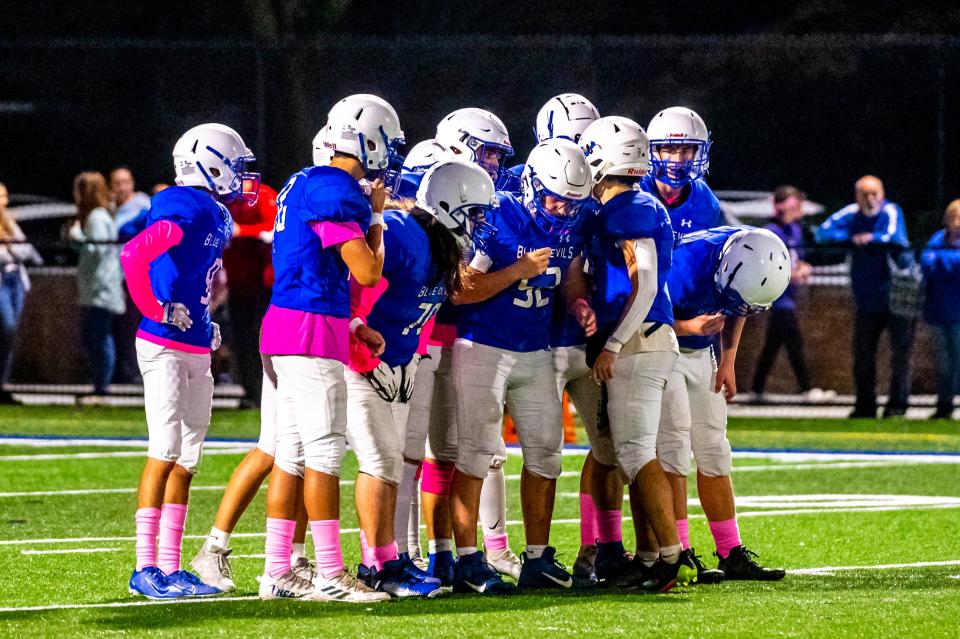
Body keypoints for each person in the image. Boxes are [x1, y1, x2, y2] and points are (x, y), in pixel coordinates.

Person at [256, 94, 402, 603]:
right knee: (322, 454)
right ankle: (329, 573)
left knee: (292, 454)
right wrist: (378, 217)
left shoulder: (304, 180)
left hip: (283, 323)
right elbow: (367, 270)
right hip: (310, 329)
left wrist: (354, 321)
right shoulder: (338, 192)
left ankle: (277, 569)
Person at [121, 123, 259, 599]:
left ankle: (171, 565)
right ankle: (144, 567)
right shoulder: (182, 203)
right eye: (235, 166)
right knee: (164, 449)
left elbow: (196, 276)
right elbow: (134, 254)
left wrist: (205, 318)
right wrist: (153, 307)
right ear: (209, 164)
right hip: (163, 341)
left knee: (188, 458)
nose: (242, 177)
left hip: (196, 340)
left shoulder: (218, 214)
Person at [448, 137, 592, 594]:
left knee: (547, 452)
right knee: (475, 453)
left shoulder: (570, 221)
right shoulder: (498, 213)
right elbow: (461, 288)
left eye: (571, 203)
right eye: (554, 199)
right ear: (531, 184)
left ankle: (537, 558)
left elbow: (569, 276)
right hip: (483, 347)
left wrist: (579, 304)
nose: (561, 210)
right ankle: (469, 560)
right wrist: (517, 270)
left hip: (536, 350)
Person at [349, 159, 497, 598]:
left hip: (397, 362)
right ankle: (375, 566)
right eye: (474, 213)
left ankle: (384, 559)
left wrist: (409, 359)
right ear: (450, 206)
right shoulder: (401, 233)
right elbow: (353, 280)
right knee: (376, 463)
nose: (478, 223)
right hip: (360, 360)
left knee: (390, 463)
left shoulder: (437, 242)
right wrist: (356, 329)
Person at [569, 116, 695, 592]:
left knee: (637, 454)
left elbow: (645, 282)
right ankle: (648, 556)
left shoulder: (631, 207)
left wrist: (615, 343)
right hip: (648, 342)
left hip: (640, 343)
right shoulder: (631, 204)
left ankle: (667, 558)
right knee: (638, 455)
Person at [403, 109, 523, 585]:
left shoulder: (482, 192)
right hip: (419, 333)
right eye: (487, 150)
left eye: (497, 153)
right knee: (409, 452)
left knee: (458, 450)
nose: (494, 162)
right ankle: (407, 553)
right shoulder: (426, 171)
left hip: (461, 334)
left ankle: (451, 554)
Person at [656, 226, 790, 582]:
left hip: (702, 357)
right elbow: (642, 314)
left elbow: (738, 305)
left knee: (715, 450)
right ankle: (680, 550)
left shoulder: (750, 255)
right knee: (674, 451)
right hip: (661, 352)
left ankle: (730, 551)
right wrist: (687, 327)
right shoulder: (683, 262)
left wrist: (728, 358)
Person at [815, 175, 913, 418]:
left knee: (901, 354)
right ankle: (865, 405)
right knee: (863, 355)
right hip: (867, 299)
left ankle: (897, 406)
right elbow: (823, 233)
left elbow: (894, 236)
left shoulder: (891, 211)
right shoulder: (851, 213)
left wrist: (869, 239)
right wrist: (850, 239)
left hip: (898, 297)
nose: (870, 200)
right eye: (864, 194)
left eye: (874, 194)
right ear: (857, 196)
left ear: (882, 194)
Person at [752, 186, 834, 401]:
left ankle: (757, 389)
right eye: (793, 206)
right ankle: (807, 389)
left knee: (774, 345)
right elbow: (765, 265)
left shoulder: (795, 230)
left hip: (791, 296)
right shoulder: (771, 231)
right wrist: (792, 273)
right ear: (778, 206)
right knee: (794, 343)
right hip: (777, 297)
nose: (798, 210)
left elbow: (799, 258)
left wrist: (804, 268)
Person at [69, 171, 126, 399]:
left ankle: (102, 386)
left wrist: (76, 235)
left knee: (98, 336)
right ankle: (100, 384)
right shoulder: (101, 216)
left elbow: (97, 249)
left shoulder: (97, 217)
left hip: (100, 288)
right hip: (98, 286)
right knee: (96, 335)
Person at [224, 183, 278, 407]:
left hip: (262, 284)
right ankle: (251, 391)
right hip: (238, 284)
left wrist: (241, 231)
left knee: (262, 339)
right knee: (242, 340)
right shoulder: (227, 199)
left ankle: (267, 391)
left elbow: (273, 231)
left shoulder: (262, 195)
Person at [640, 106, 722, 241]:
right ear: (655, 151)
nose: (678, 160)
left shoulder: (706, 203)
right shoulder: (634, 190)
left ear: (697, 153)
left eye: (686, 150)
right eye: (670, 149)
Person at [0, 182, 43, 403]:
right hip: (2, 280)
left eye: (5, 196)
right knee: (5, 328)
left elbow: (27, 250)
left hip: (15, 280)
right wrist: (9, 250)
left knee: (10, 335)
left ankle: (3, 384)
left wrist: (9, 245)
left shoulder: (9, 221)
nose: (3, 201)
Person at [110, 167, 152, 385]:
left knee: (135, 324)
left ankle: (136, 371)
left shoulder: (143, 204)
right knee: (118, 326)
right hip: (114, 275)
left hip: (136, 273)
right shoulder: (110, 208)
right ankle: (123, 370)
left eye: (126, 181)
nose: (122, 187)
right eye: (117, 182)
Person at [920, 199, 960, 420]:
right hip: (938, 312)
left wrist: (943, 263)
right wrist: (948, 264)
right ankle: (945, 405)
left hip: (957, 313)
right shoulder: (938, 238)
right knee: (944, 364)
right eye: (954, 217)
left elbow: (950, 266)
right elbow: (926, 263)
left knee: (956, 361)